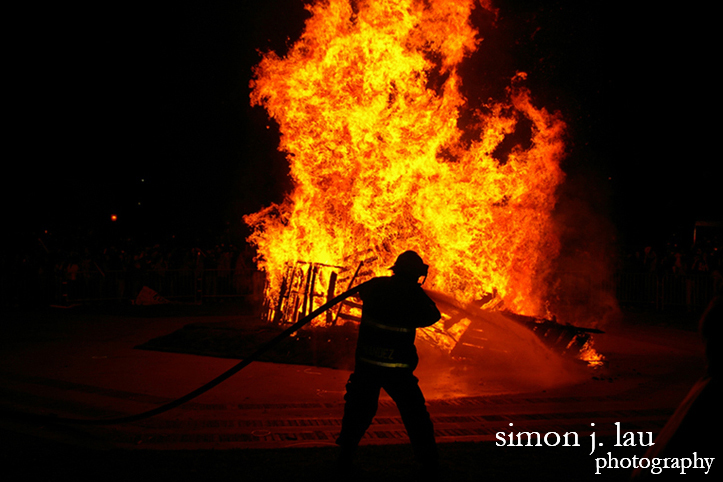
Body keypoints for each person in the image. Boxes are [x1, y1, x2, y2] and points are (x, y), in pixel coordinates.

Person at [336, 250, 442, 476]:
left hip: (367, 365)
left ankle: (344, 459)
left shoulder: (376, 286)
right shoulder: (413, 294)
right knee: (415, 415)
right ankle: (429, 463)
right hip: (397, 369)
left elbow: (361, 294)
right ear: (415, 274)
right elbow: (433, 316)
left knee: (358, 412)